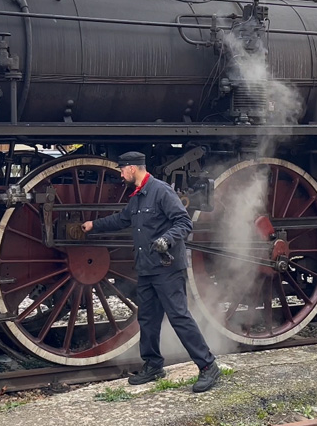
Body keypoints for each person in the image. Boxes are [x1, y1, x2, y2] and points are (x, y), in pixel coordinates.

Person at [81, 151, 220, 393]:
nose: (120, 173)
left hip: (166, 268)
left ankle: (208, 366)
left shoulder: (161, 191)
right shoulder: (136, 197)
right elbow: (122, 219)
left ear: (132, 168)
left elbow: (184, 222)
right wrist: (94, 225)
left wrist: (167, 239)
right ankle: (153, 364)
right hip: (146, 268)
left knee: (179, 317)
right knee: (147, 318)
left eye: (122, 169)